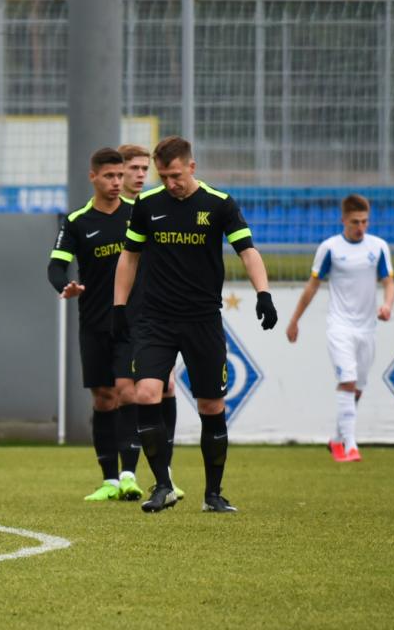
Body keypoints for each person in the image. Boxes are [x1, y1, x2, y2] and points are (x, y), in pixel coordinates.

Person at [113, 135, 277, 514]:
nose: (170, 183)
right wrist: (119, 306)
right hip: (155, 319)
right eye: (164, 176)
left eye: (176, 175)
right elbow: (129, 256)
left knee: (211, 404)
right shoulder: (147, 205)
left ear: (192, 166)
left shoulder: (219, 204)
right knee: (146, 393)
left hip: (203, 320)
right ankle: (163, 486)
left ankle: (213, 494)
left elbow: (247, 251)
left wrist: (264, 294)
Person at [48, 148, 143, 502]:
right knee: (103, 398)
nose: (117, 182)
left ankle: (130, 475)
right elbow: (55, 266)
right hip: (93, 322)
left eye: (120, 175)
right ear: (93, 177)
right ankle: (109, 481)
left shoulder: (137, 214)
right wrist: (65, 286)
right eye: (109, 176)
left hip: (132, 321)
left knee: (127, 391)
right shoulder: (77, 221)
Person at [286, 194, 394, 462]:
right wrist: (295, 320)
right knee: (347, 381)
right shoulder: (330, 248)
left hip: (367, 328)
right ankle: (350, 446)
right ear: (343, 220)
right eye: (355, 222)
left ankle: (336, 439)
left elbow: (388, 282)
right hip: (340, 326)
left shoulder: (378, 247)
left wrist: (387, 305)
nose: (361, 227)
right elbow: (312, 286)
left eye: (365, 221)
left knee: (357, 388)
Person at [119, 143, 183, 497]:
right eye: (135, 168)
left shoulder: (162, 205)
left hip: (158, 314)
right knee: (126, 392)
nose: (141, 175)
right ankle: (126, 473)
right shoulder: (115, 212)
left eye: (146, 169)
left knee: (166, 386)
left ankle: (164, 473)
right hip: (123, 315)